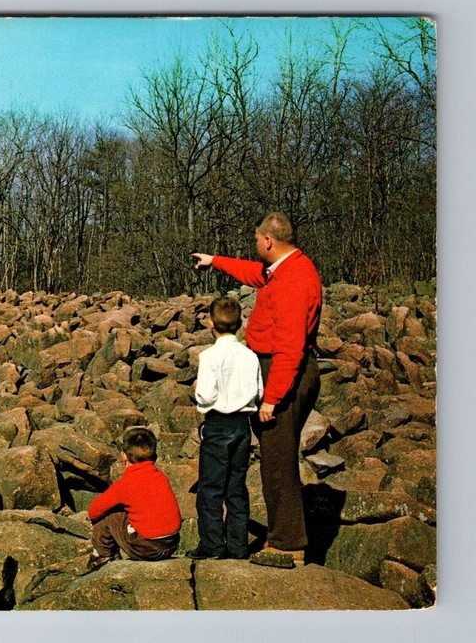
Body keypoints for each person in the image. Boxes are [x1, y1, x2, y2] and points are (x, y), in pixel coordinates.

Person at [191, 212, 321, 567]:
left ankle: (288, 543)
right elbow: (253, 273)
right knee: (276, 456)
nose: (255, 246)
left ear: (268, 241)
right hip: (278, 367)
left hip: (284, 371)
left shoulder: (294, 279)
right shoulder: (284, 268)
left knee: (278, 460)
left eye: (256, 240)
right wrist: (214, 261)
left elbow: (291, 346)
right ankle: (286, 535)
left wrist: (273, 399)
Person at [187, 296, 262, 561]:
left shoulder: (208, 356)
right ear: (241, 323)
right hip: (242, 426)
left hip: (218, 424)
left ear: (210, 324)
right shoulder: (250, 356)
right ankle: (238, 546)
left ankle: (212, 543)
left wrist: (199, 398)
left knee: (210, 488)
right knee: (236, 487)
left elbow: (206, 395)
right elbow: (258, 392)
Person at [86, 426, 182, 570]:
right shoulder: (161, 477)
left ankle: (102, 554)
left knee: (110, 515)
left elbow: (94, 511)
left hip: (148, 549)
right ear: (154, 456)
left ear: (123, 455)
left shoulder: (126, 483)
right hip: (171, 543)